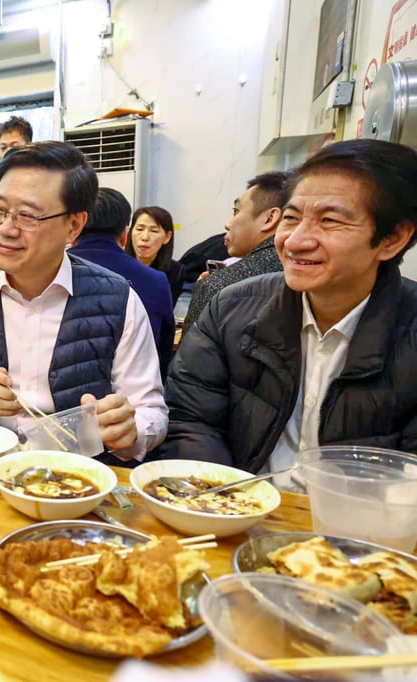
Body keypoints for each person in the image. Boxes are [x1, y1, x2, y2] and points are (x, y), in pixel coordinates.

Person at [161, 139, 417, 481]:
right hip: (235, 512)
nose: (296, 241)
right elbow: (191, 420)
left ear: (392, 239)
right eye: (292, 217)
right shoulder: (230, 307)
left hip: (363, 526)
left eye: (330, 221)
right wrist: (227, 504)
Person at [0, 142, 167, 465]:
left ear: (74, 226)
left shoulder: (119, 300)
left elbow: (153, 412)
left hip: (77, 482)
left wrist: (129, 428)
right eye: (0, 210)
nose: (5, 229)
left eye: (27, 216)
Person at [68, 188, 176, 377]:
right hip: (131, 395)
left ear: (74, 225)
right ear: (125, 234)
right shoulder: (155, 280)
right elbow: (162, 352)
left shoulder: (50, 270)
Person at [181, 171, 290, 330]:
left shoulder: (220, 287)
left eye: (236, 211)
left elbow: (192, 352)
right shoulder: (312, 278)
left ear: (270, 218)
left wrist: (207, 288)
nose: (228, 224)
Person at [125, 206, 186, 306]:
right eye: (139, 229)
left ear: (167, 237)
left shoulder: (176, 271)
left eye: (154, 231)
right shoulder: (118, 265)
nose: (145, 237)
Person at [0, 116, 33, 204]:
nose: (8, 152)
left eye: (15, 146)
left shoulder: (43, 178)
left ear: (29, 146)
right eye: (3, 148)